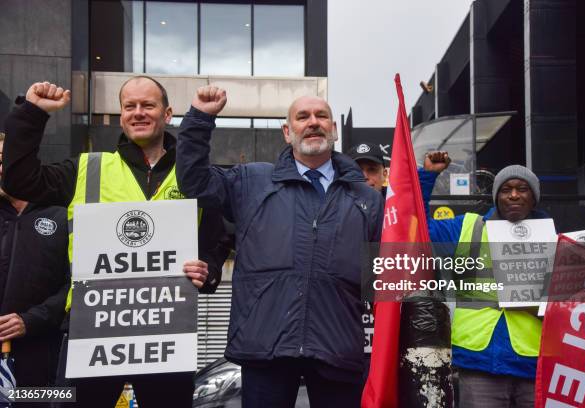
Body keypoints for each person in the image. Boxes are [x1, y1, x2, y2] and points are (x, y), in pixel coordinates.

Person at [2, 78, 229, 408]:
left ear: (167, 114)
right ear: (121, 116)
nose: (138, 113)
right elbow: (19, 180)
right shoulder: (87, 169)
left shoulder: (193, 176)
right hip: (92, 333)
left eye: (147, 106)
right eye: (129, 106)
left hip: (164, 335)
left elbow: (216, 240)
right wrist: (33, 114)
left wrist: (207, 272)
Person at [176, 87, 384, 408]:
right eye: (302, 117)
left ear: (334, 130)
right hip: (265, 345)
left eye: (321, 116)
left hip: (338, 345)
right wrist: (200, 119)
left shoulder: (367, 199)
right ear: (288, 132)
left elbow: (384, 277)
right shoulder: (251, 182)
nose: (313, 122)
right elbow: (195, 183)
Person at [421, 152, 545, 408]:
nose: (513, 195)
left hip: (535, 364)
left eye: (522, 189)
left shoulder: (553, 238)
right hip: (479, 363)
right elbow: (416, 227)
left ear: (534, 198)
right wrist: (428, 176)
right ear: (495, 196)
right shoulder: (466, 228)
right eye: (506, 189)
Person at [0, 132, 70, 405]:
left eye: (7, 160)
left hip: (42, 361)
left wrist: (29, 321)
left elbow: (76, 283)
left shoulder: (62, 216)